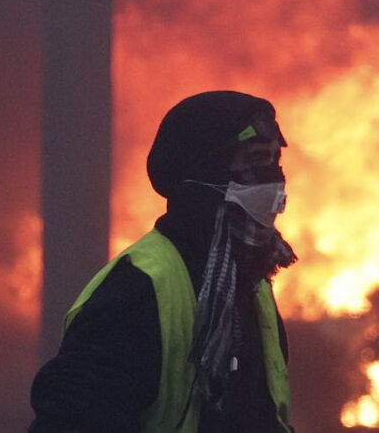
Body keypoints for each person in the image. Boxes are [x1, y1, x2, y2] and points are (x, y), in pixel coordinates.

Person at [30, 91, 298, 433]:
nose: (274, 181)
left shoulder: (251, 285)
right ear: (205, 175)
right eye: (257, 162)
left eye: (276, 162)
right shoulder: (137, 291)